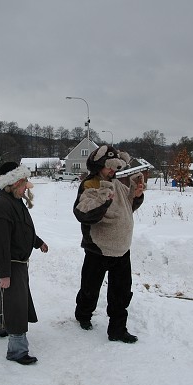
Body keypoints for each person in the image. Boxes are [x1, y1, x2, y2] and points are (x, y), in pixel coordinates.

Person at [73, 145, 145, 343]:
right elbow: (83, 214)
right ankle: (83, 315)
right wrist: (103, 202)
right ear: (99, 165)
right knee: (90, 288)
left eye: (114, 168)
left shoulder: (116, 183)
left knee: (121, 291)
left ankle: (117, 329)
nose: (113, 171)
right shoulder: (90, 184)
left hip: (122, 248)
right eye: (109, 167)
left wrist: (136, 194)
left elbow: (128, 206)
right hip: (98, 248)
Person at [0, 162, 49, 365]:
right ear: (14, 182)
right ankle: (17, 350)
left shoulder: (14, 200)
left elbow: (22, 228)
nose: (26, 187)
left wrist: (38, 242)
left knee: (7, 297)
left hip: (16, 263)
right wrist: (4, 274)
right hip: (7, 264)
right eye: (24, 183)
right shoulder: (1, 206)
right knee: (16, 303)